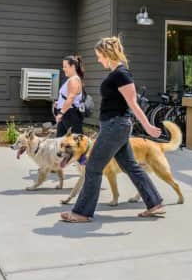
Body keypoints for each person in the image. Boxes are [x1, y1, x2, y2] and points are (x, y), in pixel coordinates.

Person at [61, 37, 165, 223]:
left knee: (92, 166)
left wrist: (148, 126)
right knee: (130, 166)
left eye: (99, 56)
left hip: (116, 126)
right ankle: (154, 203)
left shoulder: (122, 74)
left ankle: (82, 213)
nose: (98, 60)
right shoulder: (116, 73)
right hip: (114, 126)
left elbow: (133, 103)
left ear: (107, 54)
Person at [54, 55, 85, 137]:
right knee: (61, 141)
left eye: (65, 66)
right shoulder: (70, 79)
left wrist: (61, 113)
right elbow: (67, 97)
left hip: (70, 114)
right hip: (66, 113)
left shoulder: (74, 80)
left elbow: (71, 98)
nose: (63, 69)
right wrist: (59, 103)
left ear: (73, 66)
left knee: (76, 140)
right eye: (63, 67)